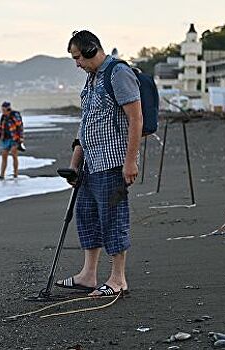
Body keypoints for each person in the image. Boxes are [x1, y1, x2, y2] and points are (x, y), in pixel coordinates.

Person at [55, 30, 142, 296]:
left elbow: (135, 119)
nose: (77, 63)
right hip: (90, 164)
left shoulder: (118, 73)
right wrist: (75, 164)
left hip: (113, 162)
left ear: (93, 49)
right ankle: (88, 275)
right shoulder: (91, 79)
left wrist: (130, 162)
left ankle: (118, 280)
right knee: (86, 217)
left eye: (78, 57)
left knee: (113, 218)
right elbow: (86, 125)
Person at [0, 101, 24, 180]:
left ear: (8, 108)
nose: (3, 111)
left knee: (14, 154)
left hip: (15, 138)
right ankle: (2, 175)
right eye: (2, 109)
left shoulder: (15, 115)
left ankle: (15, 174)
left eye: (4, 109)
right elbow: (0, 129)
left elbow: (20, 126)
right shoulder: (3, 117)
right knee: (4, 155)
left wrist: (20, 139)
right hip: (6, 138)